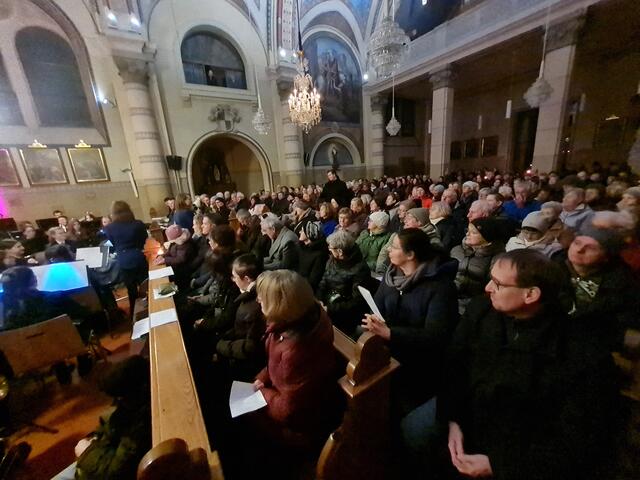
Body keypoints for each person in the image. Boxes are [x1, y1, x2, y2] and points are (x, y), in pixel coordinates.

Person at [413, 250, 621, 480]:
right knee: (413, 434)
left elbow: (578, 437)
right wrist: (453, 420)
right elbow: (454, 366)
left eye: (498, 284)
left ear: (530, 294)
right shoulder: (481, 310)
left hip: (520, 448)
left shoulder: (581, 352)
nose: (488, 288)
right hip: (466, 417)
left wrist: (499, 466)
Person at [247, 270, 338, 474]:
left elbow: (288, 410)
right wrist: (262, 378)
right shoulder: (306, 313)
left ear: (281, 306)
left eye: (264, 297)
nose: (258, 300)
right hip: (296, 394)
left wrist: (261, 393)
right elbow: (275, 362)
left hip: (301, 423)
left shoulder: (295, 350)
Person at [362, 228, 458, 415]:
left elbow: (436, 336)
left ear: (410, 254)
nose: (388, 249)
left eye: (394, 247)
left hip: (418, 364)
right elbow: (378, 304)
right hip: (388, 352)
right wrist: (374, 320)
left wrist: (391, 333)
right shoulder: (392, 275)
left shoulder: (441, 287)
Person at [215, 253, 266, 381]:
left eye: (235, 276)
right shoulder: (251, 295)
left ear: (247, 279)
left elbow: (250, 347)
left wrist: (223, 346)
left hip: (248, 365)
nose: (233, 280)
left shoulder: (254, 306)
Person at [317, 230, 372, 335]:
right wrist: (319, 300)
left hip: (344, 313)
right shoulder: (333, 260)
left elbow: (356, 302)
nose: (329, 250)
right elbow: (323, 281)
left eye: (331, 248)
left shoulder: (360, 269)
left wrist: (329, 309)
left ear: (340, 251)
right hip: (328, 303)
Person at [450, 218, 505, 314]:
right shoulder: (456, 250)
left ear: (486, 236)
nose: (467, 234)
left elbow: (491, 287)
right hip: (448, 299)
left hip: (472, 306)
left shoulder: (497, 258)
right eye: (467, 230)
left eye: (474, 233)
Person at [104, 201, 148, 320]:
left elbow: (112, 244)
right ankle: (151, 307)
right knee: (146, 285)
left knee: (131, 289)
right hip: (138, 256)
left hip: (123, 260)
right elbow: (144, 240)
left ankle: (134, 315)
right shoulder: (138, 224)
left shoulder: (109, 228)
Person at [297, 221, 328, 290]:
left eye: (302, 231)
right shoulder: (302, 247)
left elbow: (313, 280)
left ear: (309, 234)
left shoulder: (320, 255)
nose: (299, 232)